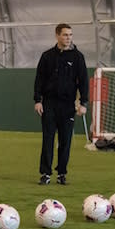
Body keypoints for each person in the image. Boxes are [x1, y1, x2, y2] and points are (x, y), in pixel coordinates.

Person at [34, 23, 88, 185]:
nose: (68, 38)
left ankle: (62, 174)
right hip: (49, 104)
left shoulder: (78, 57)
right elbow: (39, 80)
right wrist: (38, 100)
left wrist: (83, 102)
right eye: (65, 35)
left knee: (65, 141)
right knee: (48, 139)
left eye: (70, 35)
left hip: (67, 106)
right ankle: (45, 173)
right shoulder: (47, 56)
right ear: (57, 35)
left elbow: (83, 81)